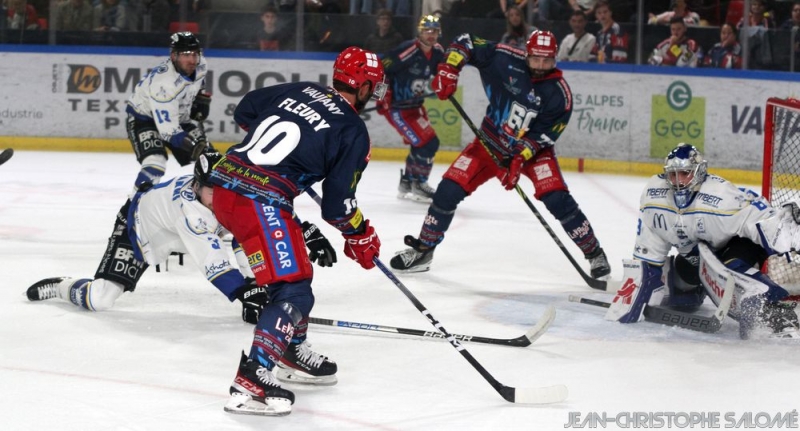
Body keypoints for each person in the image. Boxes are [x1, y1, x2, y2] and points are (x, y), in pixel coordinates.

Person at [206, 46, 386, 416]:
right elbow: (338, 206)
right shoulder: (353, 130)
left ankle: (288, 348)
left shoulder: (301, 89)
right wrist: (360, 234)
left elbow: (245, 111)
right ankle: (253, 380)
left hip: (223, 187)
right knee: (294, 292)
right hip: (260, 201)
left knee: (293, 274)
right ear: (365, 87)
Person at [390, 30, 611, 281]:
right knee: (447, 191)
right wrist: (449, 70)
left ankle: (594, 253)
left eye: (546, 60)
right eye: (535, 59)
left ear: (555, 59)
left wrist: (518, 157)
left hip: (532, 154)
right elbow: (467, 41)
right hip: (487, 143)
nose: (540, 66)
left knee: (558, 199)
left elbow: (544, 135)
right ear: (526, 54)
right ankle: (423, 251)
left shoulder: (559, 94)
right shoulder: (504, 57)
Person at [24, 153, 338, 324]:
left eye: (224, 187)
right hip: (137, 228)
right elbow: (213, 265)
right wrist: (244, 294)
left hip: (171, 229)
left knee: (246, 232)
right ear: (198, 185)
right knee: (100, 299)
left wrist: (305, 229)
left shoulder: (227, 189)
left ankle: (258, 288)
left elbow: (264, 210)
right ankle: (63, 285)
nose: (219, 196)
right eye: (211, 190)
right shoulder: (191, 213)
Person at [605, 144, 800, 339]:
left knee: (733, 273)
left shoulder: (720, 197)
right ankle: (699, 287)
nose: (678, 181)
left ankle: (775, 308)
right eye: (673, 175)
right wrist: (635, 296)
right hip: (698, 257)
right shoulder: (655, 200)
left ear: (699, 173)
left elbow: (764, 221)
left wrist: (793, 236)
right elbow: (648, 259)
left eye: (684, 173)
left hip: (740, 245)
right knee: (681, 289)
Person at [125, 31, 212, 193]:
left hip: (178, 117)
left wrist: (199, 99)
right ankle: (132, 206)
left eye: (195, 54)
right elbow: (169, 133)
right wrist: (194, 146)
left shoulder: (201, 65)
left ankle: (205, 201)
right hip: (144, 119)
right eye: (186, 55)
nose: (192, 60)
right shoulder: (163, 85)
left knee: (211, 160)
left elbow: (199, 83)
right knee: (155, 164)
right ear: (173, 56)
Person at [376, 15, 445, 203]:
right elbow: (380, 69)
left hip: (415, 107)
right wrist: (381, 97)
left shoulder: (438, 52)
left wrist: (445, 83)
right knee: (428, 143)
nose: (430, 35)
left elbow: (445, 72)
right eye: (426, 30)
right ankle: (419, 184)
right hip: (397, 109)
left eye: (434, 31)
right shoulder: (407, 51)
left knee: (422, 144)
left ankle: (408, 181)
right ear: (419, 32)